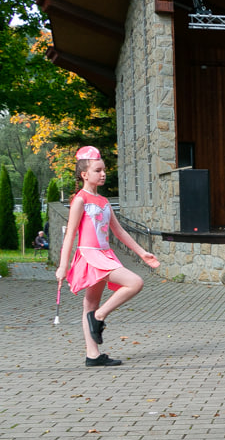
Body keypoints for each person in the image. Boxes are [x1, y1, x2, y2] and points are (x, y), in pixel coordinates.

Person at [55, 146, 160, 367]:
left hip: (105, 254)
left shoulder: (103, 201)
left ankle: (92, 355)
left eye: (104, 170)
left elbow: (119, 231)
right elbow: (70, 235)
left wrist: (142, 253)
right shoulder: (80, 200)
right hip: (90, 255)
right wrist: (63, 266)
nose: (103, 174)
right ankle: (99, 318)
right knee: (135, 282)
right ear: (84, 174)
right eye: (98, 170)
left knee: (90, 304)